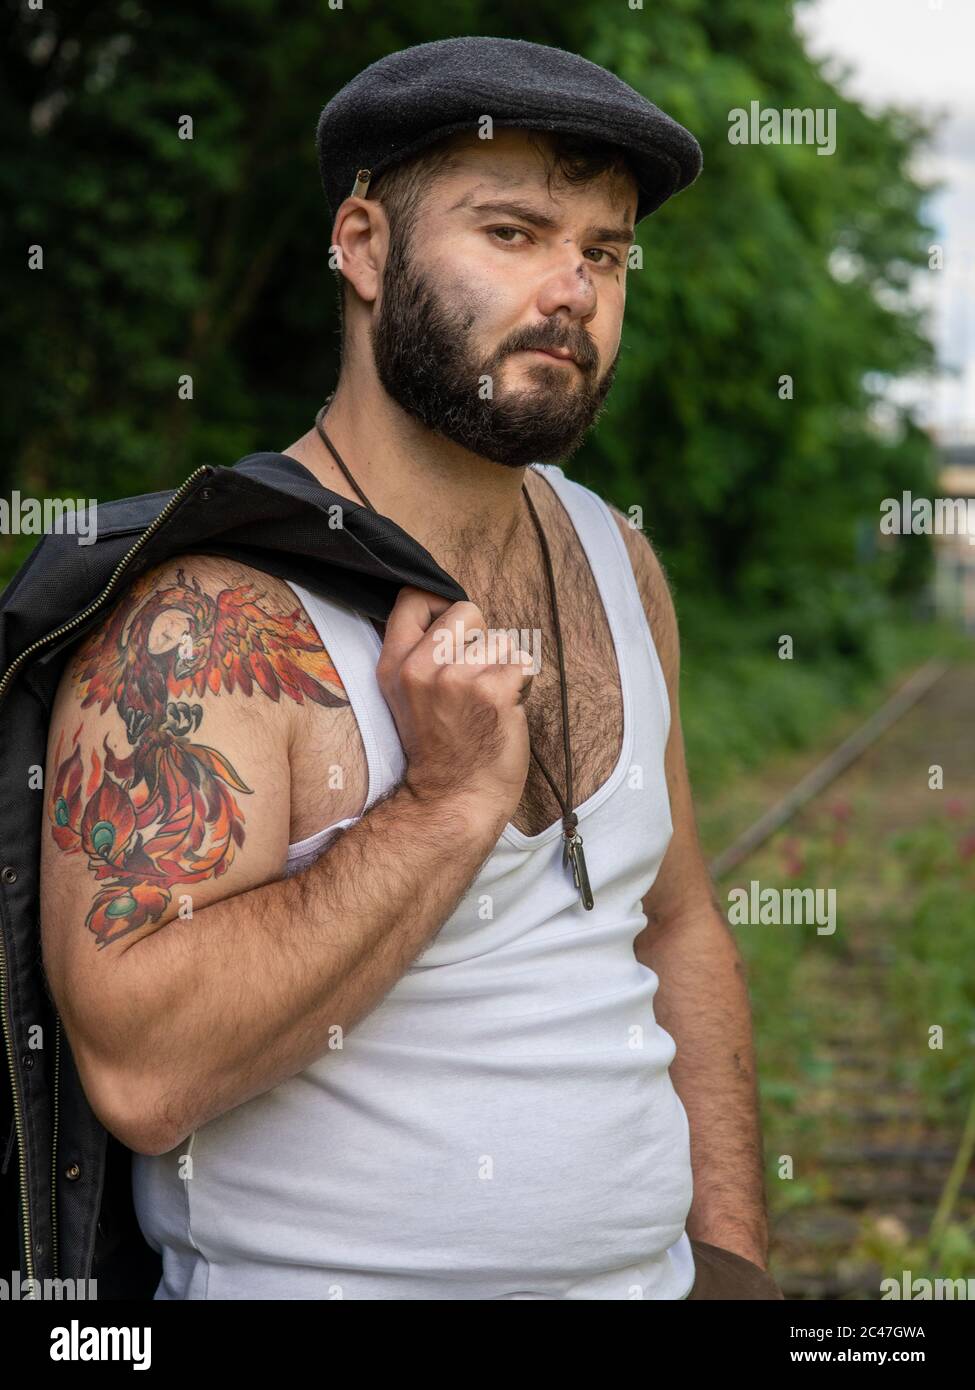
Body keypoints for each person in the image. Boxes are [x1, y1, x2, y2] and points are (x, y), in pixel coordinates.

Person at [39, 36, 782, 1300]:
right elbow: (142, 1076)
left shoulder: (616, 557)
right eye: (512, 232)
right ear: (366, 247)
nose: (573, 290)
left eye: (603, 253)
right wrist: (442, 808)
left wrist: (734, 1259)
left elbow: (678, 921)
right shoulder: (209, 610)